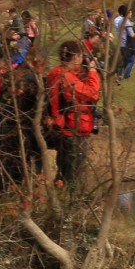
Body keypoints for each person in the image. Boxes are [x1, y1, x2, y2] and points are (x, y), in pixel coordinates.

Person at [45, 41, 101, 181]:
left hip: (65, 130)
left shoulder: (57, 73)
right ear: (76, 57)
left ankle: (61, 199)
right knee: (74, 177)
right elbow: (93, 93)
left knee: (64, 174)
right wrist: (93, 71)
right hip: (72, 132)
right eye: (81, 56)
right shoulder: (65, 77)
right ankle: (70, 201)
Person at [116, 5, 135, 81]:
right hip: (126, 44)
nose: (131, 13)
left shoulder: (121, 21)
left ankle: (118, 77)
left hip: (120, 44)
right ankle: (126, 76)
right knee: (131, 60)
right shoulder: (127, 22)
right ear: (127, 13)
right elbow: (132, 35)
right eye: (130, 12)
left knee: (123, 61)